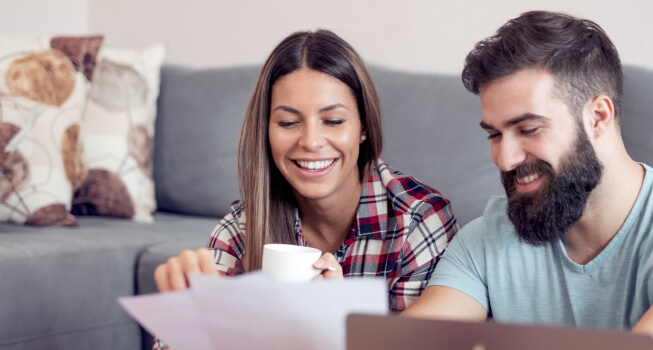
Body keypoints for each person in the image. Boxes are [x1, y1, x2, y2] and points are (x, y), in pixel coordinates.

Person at [402, 11, 653, 350]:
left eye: (528, 129)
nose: (504, 158)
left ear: (597, 117)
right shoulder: (484, 241)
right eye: (494, 135)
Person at [152, 30, 457, 350]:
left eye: (334, 120)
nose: (311, 142)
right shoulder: (242, 228)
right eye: (288, 123)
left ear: (363, 127)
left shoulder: (418, 222)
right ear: (267, 131)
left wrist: (338, 329)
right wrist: (186, 322)